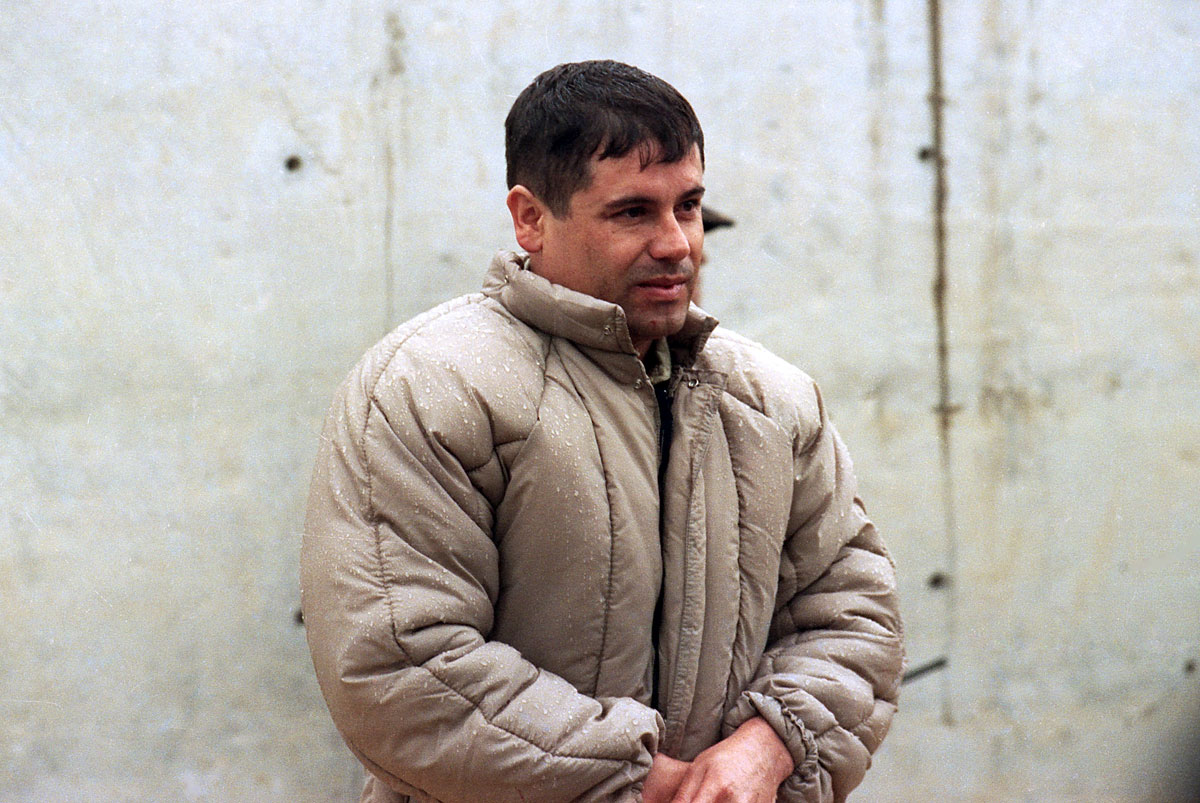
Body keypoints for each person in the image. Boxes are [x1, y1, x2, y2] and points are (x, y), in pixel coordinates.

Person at [301, 60, 903, 803]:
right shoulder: (428, 388)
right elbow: (404, 665)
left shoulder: (774, 402)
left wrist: (769, 747)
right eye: (633, 213)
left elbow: (854, 618)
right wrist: (649, 783)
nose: (677, 243)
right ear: (530, 217)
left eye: (688, 206)